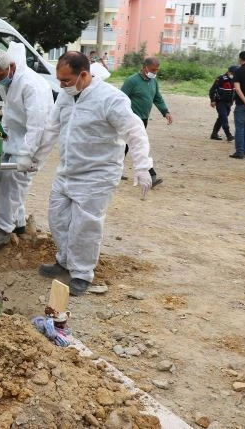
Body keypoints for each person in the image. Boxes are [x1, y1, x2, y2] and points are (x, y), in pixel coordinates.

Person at [33, 51, 152, 296]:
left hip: (97, 175)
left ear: (84, 75)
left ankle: (81, 274)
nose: (61, 85)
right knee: (58, 220)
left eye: (66, 80)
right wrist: (34, 160)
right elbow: (51, 129)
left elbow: (135, 131)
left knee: (85, 227)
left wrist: (142, 166)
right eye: (59, 79)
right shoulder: (66, 96)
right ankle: (64, 260)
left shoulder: (110, 99)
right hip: (67, 171)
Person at [0, 44, 53, 246]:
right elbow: (8, 108)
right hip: (16, 134)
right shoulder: (7, 80)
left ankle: (2, 229)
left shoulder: (31, 85)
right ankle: (18, 222)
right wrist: (3, 132)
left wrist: (27, 154)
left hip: (36, 139)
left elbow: (37, 125)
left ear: (11, 66)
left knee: (15, 180)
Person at [119, 57, 172, 188]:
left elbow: (157, 97)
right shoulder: (132, 81)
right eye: (153, 69)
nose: (155, 72)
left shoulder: (153, 81)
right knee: (140, 146)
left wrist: (165, 111)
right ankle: (151, 176)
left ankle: (113, 170)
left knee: (125, 146)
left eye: (157, 70)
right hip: (131, 120)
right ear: (145, 67)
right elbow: (120, 99)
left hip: (143, 119)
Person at [209, 66, 236, 141]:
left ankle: (214, 134)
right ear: (229, 72)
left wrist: (233, 100)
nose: (234, 75)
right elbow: (212, 90)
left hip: (229, 103)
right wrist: (212, 100)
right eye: (233, 73)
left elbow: (234, 91)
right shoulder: (220, 78)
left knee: (221, 117)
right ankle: (228, 135)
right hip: (220, 102)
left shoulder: (234, 79)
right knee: (224, 118)